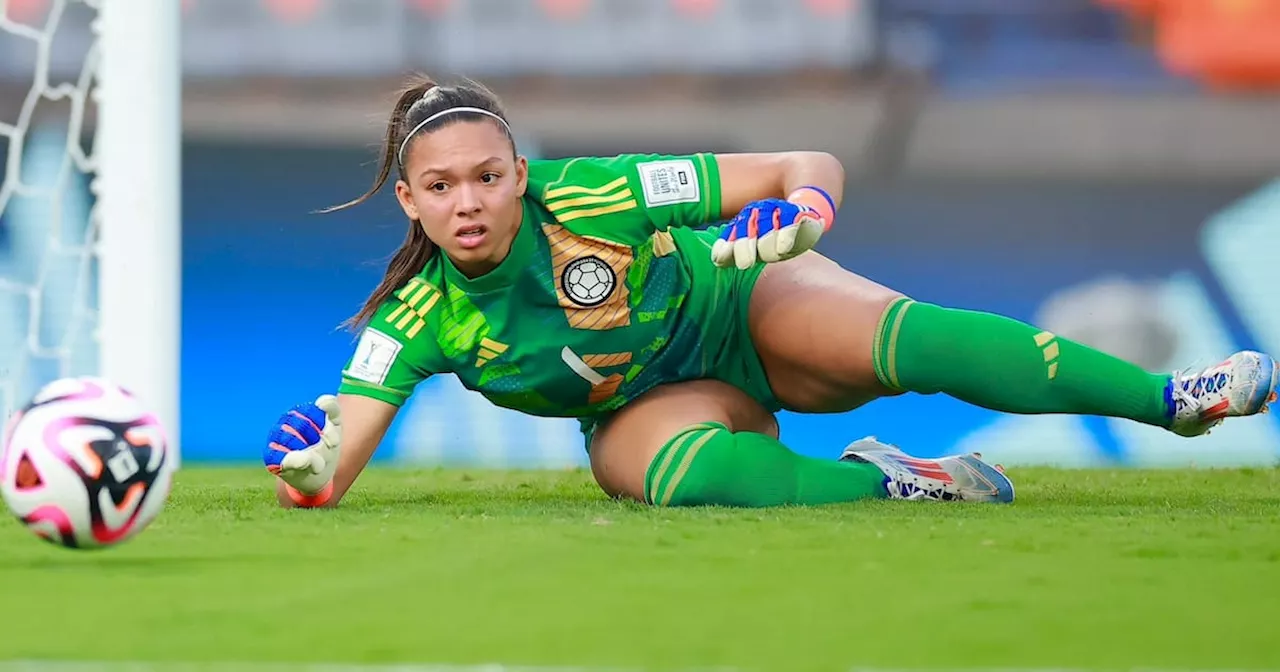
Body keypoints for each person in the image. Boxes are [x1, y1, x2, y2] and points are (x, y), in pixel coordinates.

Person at [262, 76, 1279, 509]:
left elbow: (808, 158)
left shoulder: (599, 194)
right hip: (644, 402)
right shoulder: (413, 320)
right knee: (679, 482)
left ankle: (1171, 399)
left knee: (913, 345)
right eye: (441, 187)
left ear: (520, 173)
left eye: (487, 176)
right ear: (409, 200)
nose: (469, 202)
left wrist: (800, 216)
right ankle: (897, 483)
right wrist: (308, 476)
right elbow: (334, 465)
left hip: (741, 307)